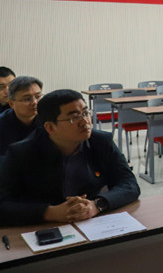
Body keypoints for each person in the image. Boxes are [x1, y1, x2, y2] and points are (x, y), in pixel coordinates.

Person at [0, 89, 140, 225]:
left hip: (90, 223)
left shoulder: (101, 141)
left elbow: (129, 184)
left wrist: (96, 205)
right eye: (74, 118)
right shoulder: (21, 153)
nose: (85, 121)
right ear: (50, 127)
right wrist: (50, 212)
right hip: (42, 227)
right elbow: (3, 204)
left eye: (85, 113)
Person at [0, 76, 41, 158]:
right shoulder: (2, 123)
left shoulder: (50, 120)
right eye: (27, 99)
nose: (34, 102)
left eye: (38, 97)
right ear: (11, 104)